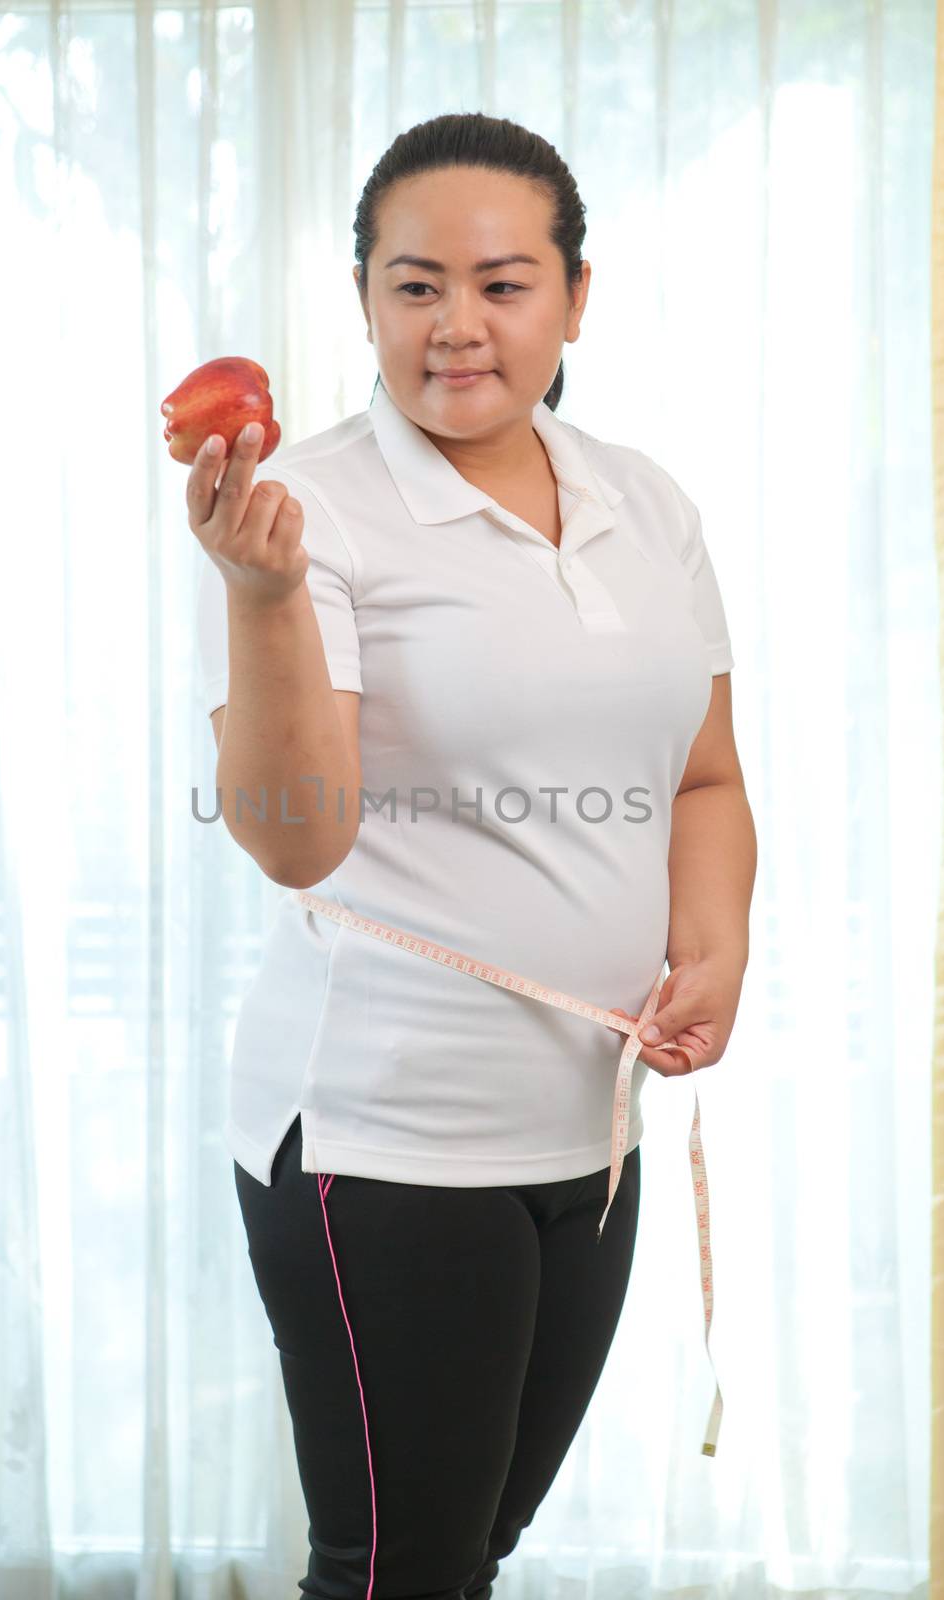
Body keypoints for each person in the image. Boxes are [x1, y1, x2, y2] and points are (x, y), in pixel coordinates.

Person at [193, 112, 754, 1600]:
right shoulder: (309, 512)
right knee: (401, 1569)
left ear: (577, 296)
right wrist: (259, 599)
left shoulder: (646, 501)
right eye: (414, 284)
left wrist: (717, 942)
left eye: (503, 284)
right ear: (367, 298)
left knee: (474, 1548)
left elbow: (701, 773)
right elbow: (295, 843)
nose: (457, 327)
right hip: (388, 1137)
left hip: (591, 1130)